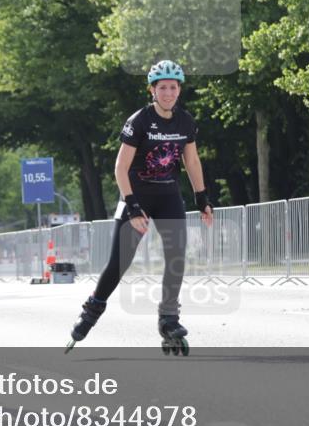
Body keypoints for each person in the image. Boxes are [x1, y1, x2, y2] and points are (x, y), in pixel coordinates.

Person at [66, 60, 214, 356]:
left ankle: (169, 319)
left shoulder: (185, 121)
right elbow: (120, 167)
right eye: (163, 88)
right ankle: (92, 309)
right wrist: (132, 207)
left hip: (168, 195)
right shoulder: (140, 121)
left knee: (176, 256)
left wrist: (202, 198)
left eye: (173, 87)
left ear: (179, 89)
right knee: (120, 262)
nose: (169, 93)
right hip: (136, 195)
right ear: (152, 90)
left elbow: (192, 161)